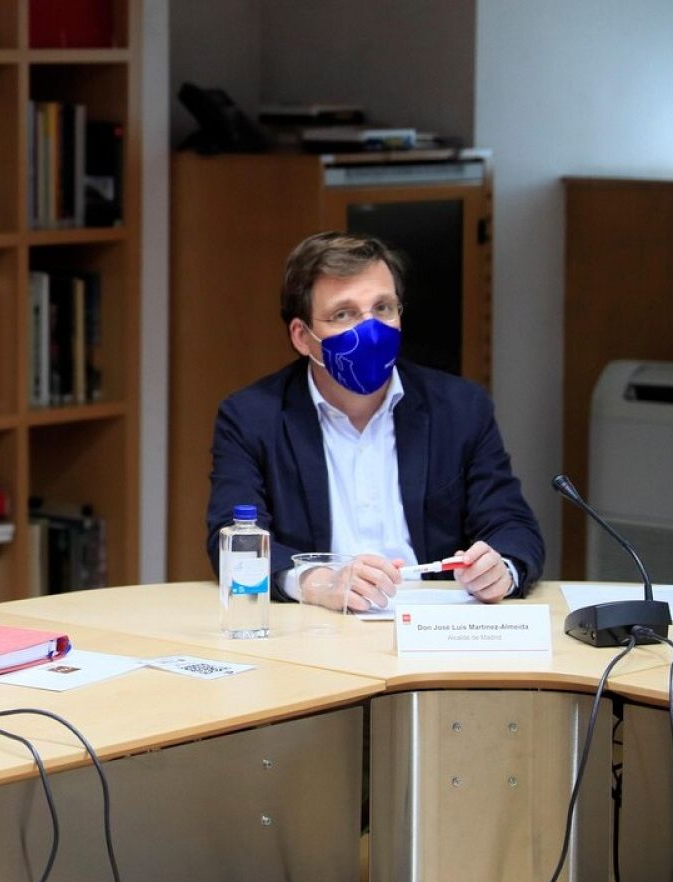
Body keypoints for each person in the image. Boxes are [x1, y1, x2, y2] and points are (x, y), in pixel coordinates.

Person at [205, 232, 544, 610]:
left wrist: (501, 569)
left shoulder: (460, 408)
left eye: (383, 308)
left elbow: (513, 526)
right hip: (318, 628)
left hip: (436, 629)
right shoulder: (252, 417)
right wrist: (317, 583)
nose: (371, 330)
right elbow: (233, 542)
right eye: (344, 314)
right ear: (302, 337)